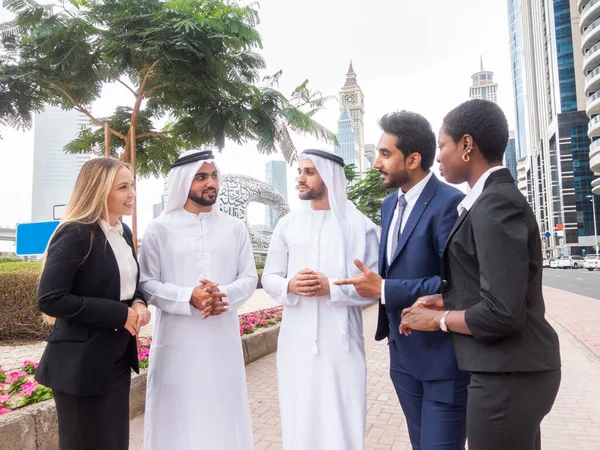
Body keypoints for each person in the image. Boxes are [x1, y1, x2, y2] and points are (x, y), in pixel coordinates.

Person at [400, 99, 561, 450]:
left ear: (467, 145)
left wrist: (438, 320)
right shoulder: (487, 200)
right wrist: (447, 298)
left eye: (442, 145)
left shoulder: (495, 204)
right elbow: (491, 287)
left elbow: (502, 312)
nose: (437, 156)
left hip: (508, 375)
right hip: (511, 372)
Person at [335, 112, 469, 449]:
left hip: (443, 360)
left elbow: (455, 284)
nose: (376, 162)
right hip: (402, 356)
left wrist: (383, 289)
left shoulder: (450, 204)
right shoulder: (388, 206)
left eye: (385, 154)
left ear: (413, 159)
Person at [139, 149, 257, 450]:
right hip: (177, 343)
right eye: (201, 177)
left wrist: (223, 295)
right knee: (176, 415)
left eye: (215, 176)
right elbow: (147, 283)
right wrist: (186, 296)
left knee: (222, 411)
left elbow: (249, 278)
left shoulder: (235, 228)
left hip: (222, 342)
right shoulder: (159, 229)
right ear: (183, 182)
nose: (211, 183)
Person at [262, 149, 379, 450]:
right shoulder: (287, 225)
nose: (300, 179)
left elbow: (373, 285)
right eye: (299, 172)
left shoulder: (358, 225)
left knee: (342, 418)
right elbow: (269, 278)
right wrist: (290, 285)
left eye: (309, 172)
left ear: (329, 176)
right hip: (296, 342)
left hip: (341, 344)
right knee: (299, 416)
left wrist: (333, 288)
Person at [35, 158, 151, 450]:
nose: (132, 193)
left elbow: (127, 285)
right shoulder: (75, 232)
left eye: (132, 185)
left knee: (114, 443)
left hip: (116, 358)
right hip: (80, 364)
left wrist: (138, 302)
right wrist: (118, 314)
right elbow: (51, 298)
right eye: (123, 187)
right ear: (99, 191)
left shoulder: (123, 233)